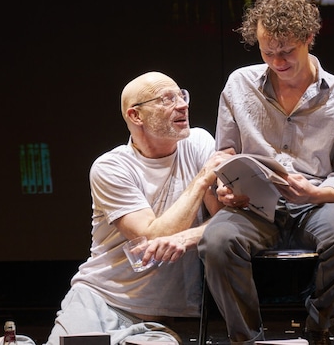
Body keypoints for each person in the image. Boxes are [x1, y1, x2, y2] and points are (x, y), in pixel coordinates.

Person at [197, 0, 334, 344]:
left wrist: (314, 191)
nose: (277, 61)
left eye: (287, 52)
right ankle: (247, 339)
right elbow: (227, 151)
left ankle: (319, 325)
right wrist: (225, 185)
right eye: (267, 52)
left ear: (309, 38)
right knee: (216, 242)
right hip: (253, 204)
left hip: (316, 202)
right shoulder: (239, 84)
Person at [44, 71, 232, 345]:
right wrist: (203, 179)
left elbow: (226, 218)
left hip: (160, 319)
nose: (182, 105)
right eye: (166, 99)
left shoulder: (199, 143)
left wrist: (186, 237)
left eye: (182, 95)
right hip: (99, 300)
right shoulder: (111, 167)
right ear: (135, 116)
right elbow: (152, 236)